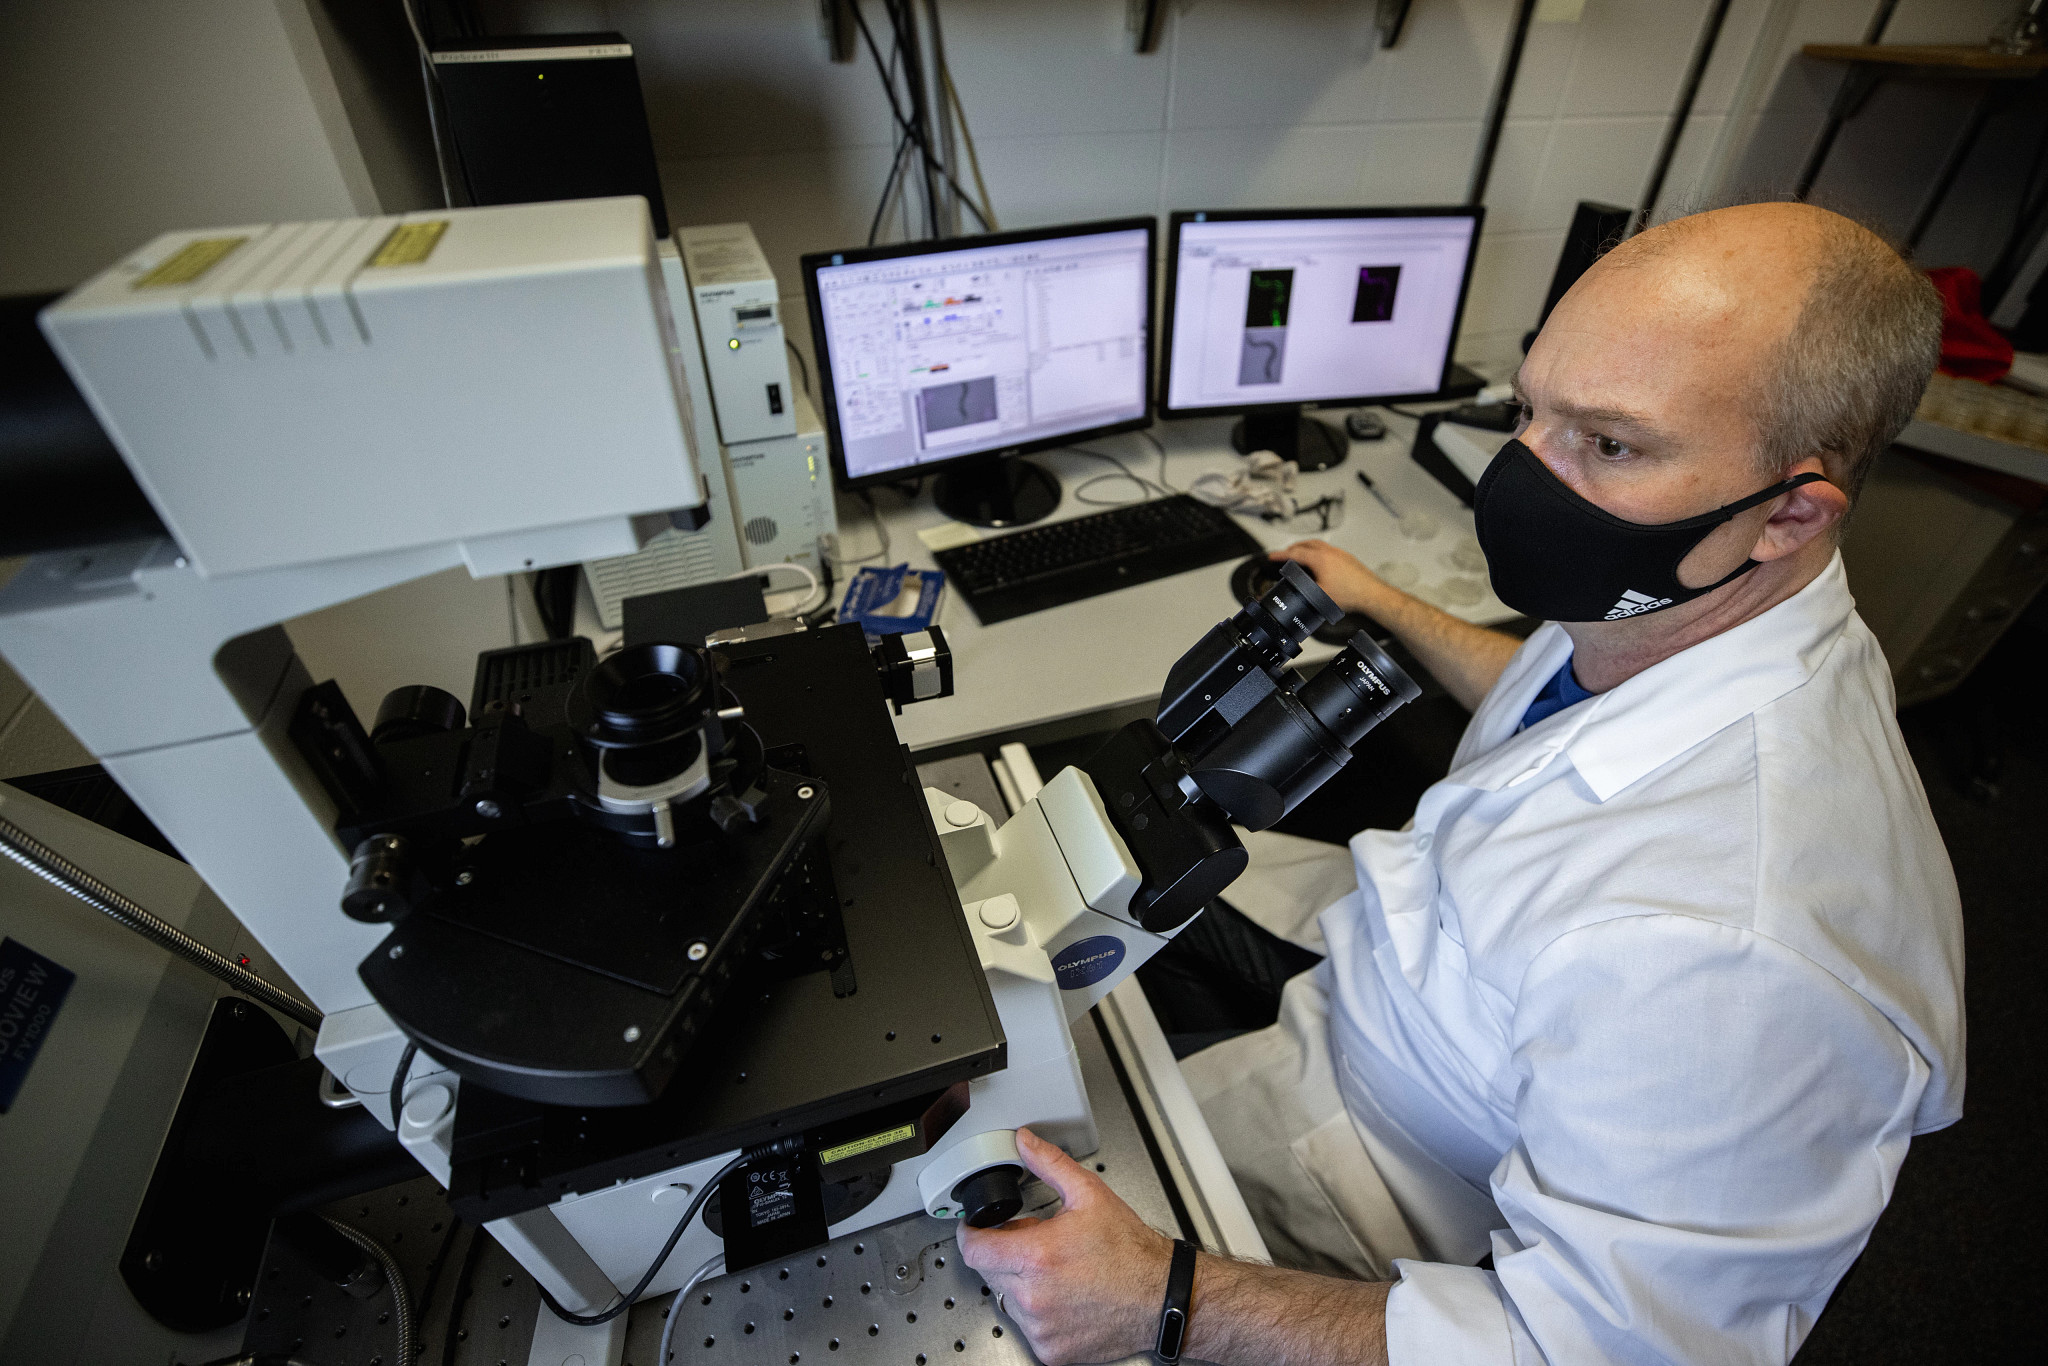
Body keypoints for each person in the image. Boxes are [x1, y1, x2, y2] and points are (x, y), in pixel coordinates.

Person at [957, 202, 1965, 1365]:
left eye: (1608, 444)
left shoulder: (1737, 957)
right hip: (1392, 964)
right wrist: (1381, 602)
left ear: (1789, 509)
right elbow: (1557, 706)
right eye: (1528, 410)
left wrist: (1168, 1299)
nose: (1523, 476)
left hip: (1364, 1190)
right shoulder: (1690, 615)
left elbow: (1594, 1352)